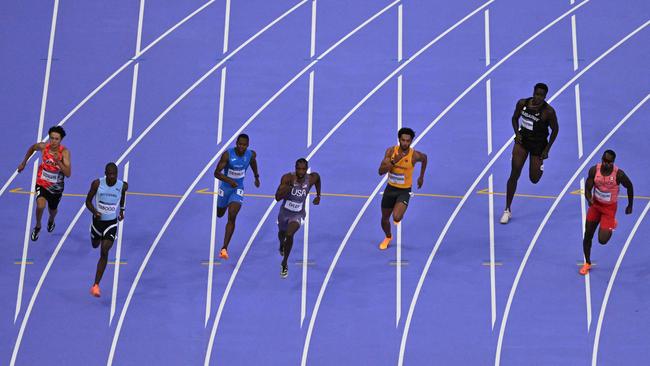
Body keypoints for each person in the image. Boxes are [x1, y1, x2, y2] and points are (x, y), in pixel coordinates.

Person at [500, 83, 559, 224]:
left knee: (534, 179)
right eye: (536, 94)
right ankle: (507, 210)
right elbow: (514, 118)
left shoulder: (548, 112)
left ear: (545, 97)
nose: (538, 97)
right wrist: (516, 134)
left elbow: (555, 130)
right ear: (533, 92)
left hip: (538, 146)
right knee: (514, 173)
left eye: (541, 95)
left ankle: (540, 166)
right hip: (522, 142)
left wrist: (547, 150)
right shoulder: (522, 103)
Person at [579, 150, 633, 275]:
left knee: (602, 240)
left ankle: (612, 223)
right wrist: (589, 199)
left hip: (609, 209)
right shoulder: (594, 170)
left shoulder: (619, 175)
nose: (605, 163)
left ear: (613, 163)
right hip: (596, 206)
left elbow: (629, 186)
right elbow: (587, 188)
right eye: (604, 160)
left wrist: (630, 205)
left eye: (609, 162)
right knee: (588, 235)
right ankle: (587, 263)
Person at [17, 126, 72, 241]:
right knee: (40, 205)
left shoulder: (65, 153)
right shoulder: (44, 147)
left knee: (52, 210)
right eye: (51, 138)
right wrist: (23, 163)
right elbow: (32, 148)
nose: (53, 141)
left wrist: (58, 161)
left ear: (61, 140)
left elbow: (68, 173)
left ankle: (51, 220)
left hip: (56, 188)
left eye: (56, 139)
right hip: (42, 183)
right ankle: (38, 226)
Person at [377, 127, 427, 250]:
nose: (405, 143)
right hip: (390, 189)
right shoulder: (390, 152)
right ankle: (388, 237)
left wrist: (421, 177)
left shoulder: (414, 155)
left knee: (397, 217)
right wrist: (394, 162)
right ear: (399, 139)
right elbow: (380, 172)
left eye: (408, 141)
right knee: (384, 220)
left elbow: (425, 158)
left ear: (411, 141)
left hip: (404, 191)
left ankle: (398, 212)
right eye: (403, 140)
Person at [213, 134, 260, 260]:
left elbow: (253, 163)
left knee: (232, 216)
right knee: (220, 214)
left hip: (238, 189)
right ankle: (227, 203)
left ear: (248, 145)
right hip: (226, 188)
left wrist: (256, 177)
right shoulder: (227, 155)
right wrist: (229, 180)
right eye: (240, 144)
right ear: (236, 143)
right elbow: (216, 173)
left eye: (244, 145)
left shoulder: (251, 154)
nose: (241, 147)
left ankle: (224, 248)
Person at [85, 163, 128, 297]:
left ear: (117, 174)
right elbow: (87, 202)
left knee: (104, 250)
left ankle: (96, 285)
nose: (111, 177)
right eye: (109, 174)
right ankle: (94, 236)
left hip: (111, 223)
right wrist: (94, 211)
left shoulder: (123, 186)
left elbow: (122, 197)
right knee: (95, 245)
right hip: (97, 222)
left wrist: (122, 210)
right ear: (105, 173)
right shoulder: (97, 184)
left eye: (114, 174)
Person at [275, 158, 320, 278]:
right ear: (295, 168)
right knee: (282, 233)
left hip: (298, 214)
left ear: (307, 169)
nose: (301, 171)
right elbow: (277, 197)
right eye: (298, 169)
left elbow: (318, 178)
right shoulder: (287, 178)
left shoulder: (311, 178)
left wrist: (318, 195)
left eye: (303, 169)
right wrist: (287, 188)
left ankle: (284, 263)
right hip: (284, 213)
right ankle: (281, 245)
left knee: (289, 234)